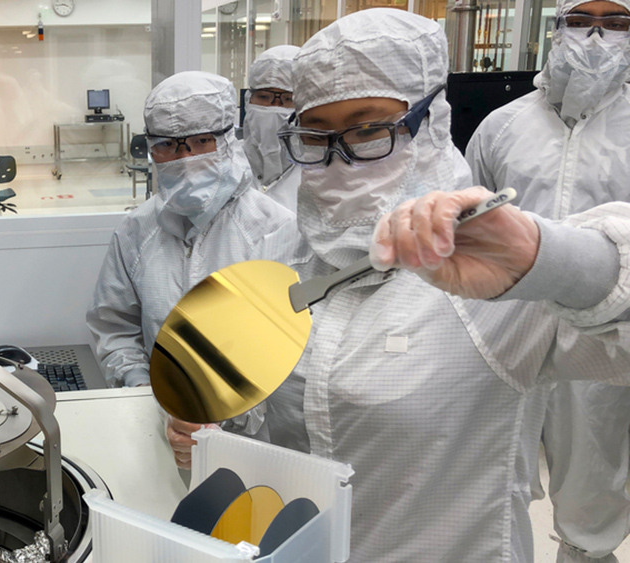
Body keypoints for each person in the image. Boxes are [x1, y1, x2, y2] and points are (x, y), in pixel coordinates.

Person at [167, 9, 630, 562]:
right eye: (316, 135)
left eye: (368, 129)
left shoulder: (491, 283)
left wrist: (548, 258)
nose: (339, 160)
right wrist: (212, 427)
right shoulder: (279, 259)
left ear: (431, 119)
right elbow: (268, 423)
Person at [467, 1, 630, 560]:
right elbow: (470, 226)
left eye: (616, 23)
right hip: (504, 330)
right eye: (582, 20)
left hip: (600, 337)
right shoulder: (502, 126)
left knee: (593, 483)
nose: (596, 35)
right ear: (555, 29)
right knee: (494, 472)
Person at [85, 71, 296, 396]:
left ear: (227, 141)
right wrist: (140, 383)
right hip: (160, 414)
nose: (185, 159)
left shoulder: (275, 230)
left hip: (249, 434)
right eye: (167, 145)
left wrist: (230, 412)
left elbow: (288, 350)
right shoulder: (137, 231)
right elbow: (114, 327)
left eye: (201, 142)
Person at [243, 45, 301, 208]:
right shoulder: (231, 164)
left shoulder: (319, 172)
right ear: (248, 100)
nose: (274, 106)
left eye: (288, 98)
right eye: (264, 97)